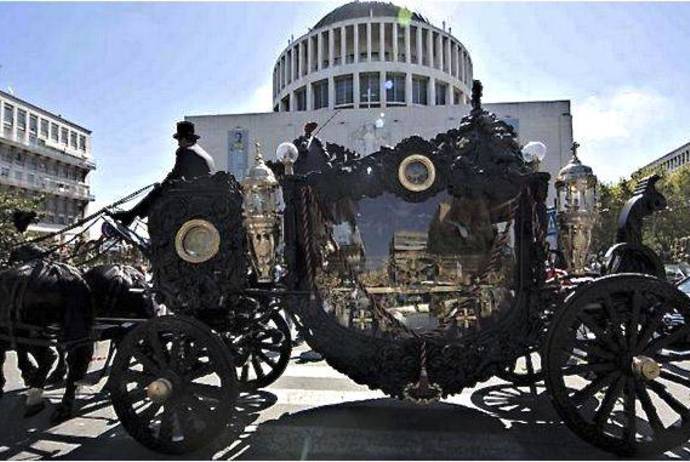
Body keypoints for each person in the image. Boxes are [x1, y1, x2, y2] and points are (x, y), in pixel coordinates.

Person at [112, 121, 216, 226]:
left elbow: (175, 174)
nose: (178, 143)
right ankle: (131, 215)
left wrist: (162, 186)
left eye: (179, 140)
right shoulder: (202, 153)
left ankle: (130, 216)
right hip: (200, 191)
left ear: (184, 139)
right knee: (161, 190)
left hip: (192, 193)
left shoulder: (185, 152)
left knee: (157, 193)